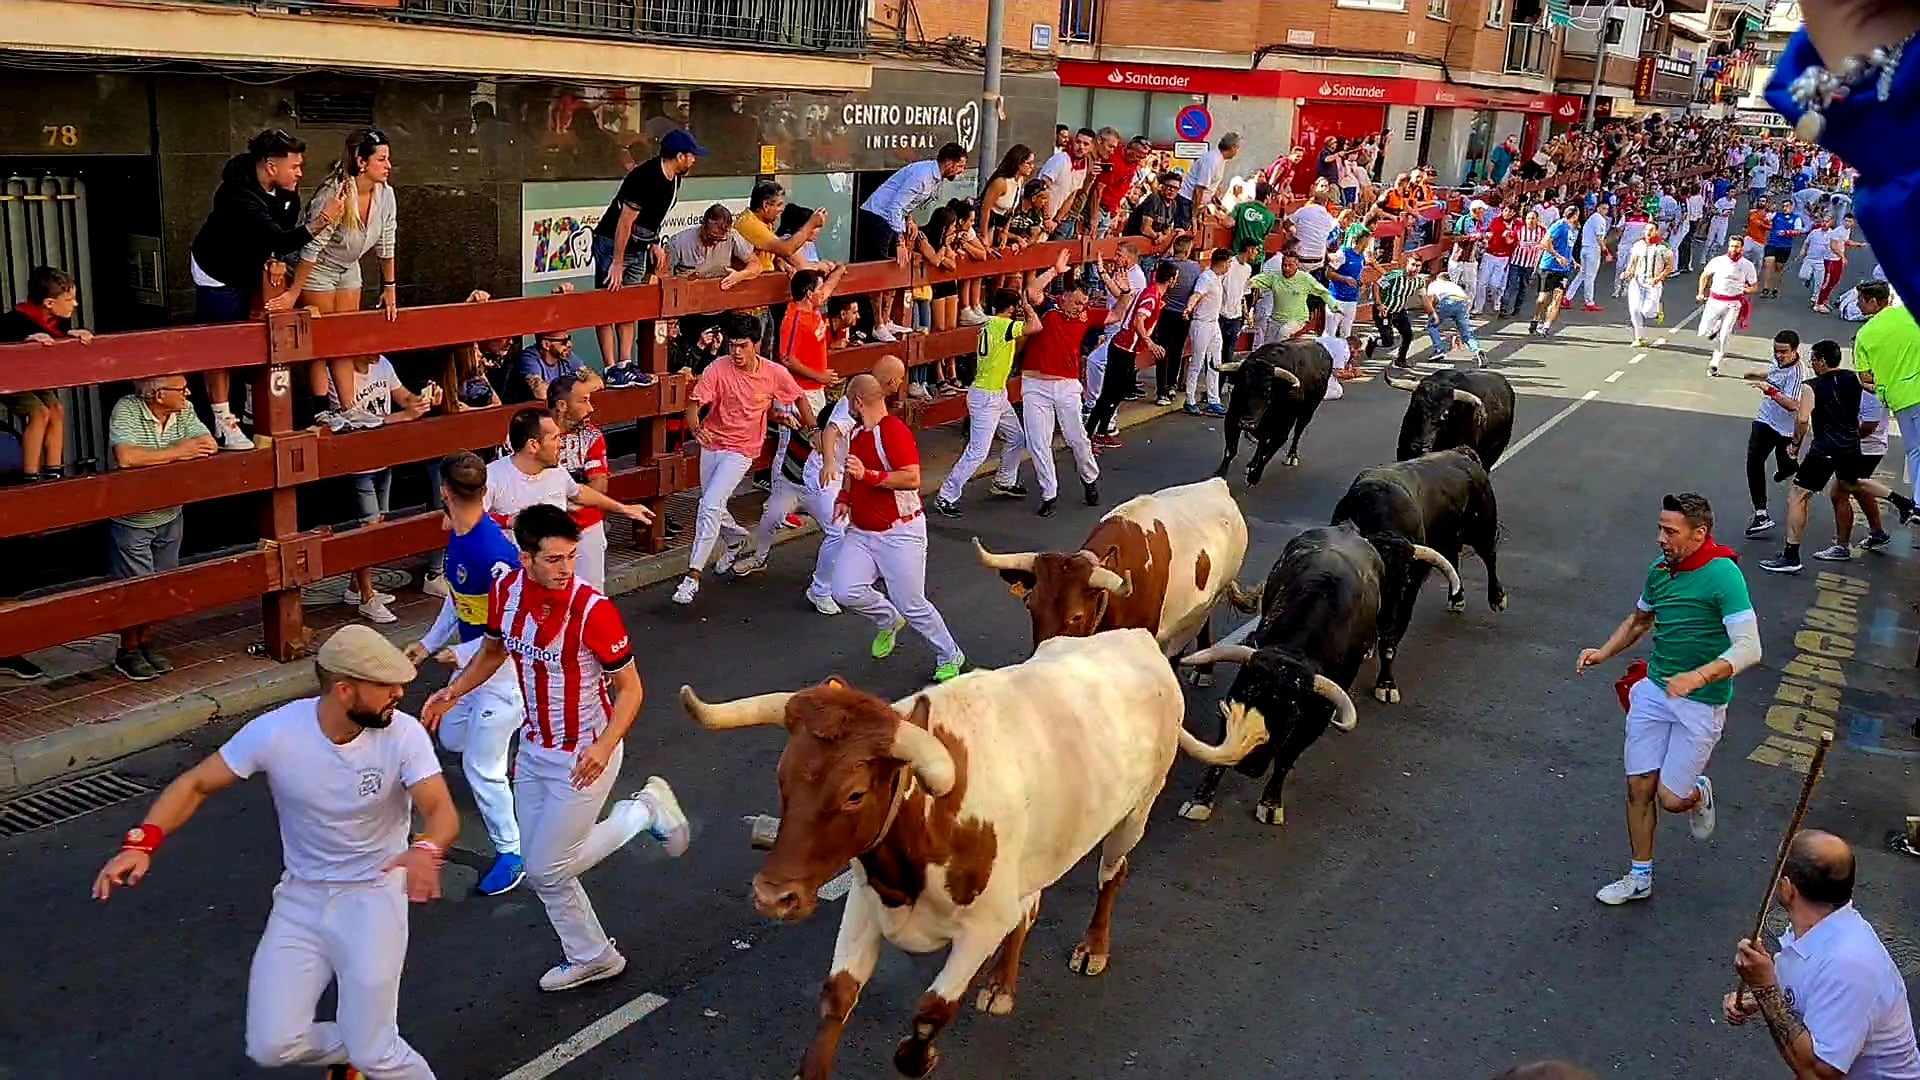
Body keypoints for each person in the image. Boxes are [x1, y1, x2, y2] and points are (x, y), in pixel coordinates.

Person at [92, 624, 456, 1078]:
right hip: (301, 899)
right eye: (386, 685)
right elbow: (196, 783)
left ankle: (366, 1050)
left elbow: (440, 810)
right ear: (345, 690)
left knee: (377, 1053)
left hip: (374, 898)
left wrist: (426, 848)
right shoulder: (277, 732)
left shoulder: (403, 735)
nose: (401, 692)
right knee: (273, 1044)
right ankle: (350, 1052)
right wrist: (142, 842)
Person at [423, 505, 687, 992]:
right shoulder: (505, 590)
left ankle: (642, 811)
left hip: (586, 752)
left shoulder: (594, 611)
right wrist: (453, 691)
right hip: (534, 746)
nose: (566, 568)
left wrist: (605, 748)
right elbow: (493, 651)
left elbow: (631, 689)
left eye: (571, 557)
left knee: (545, 868)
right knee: (548, 866)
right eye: (554, 559)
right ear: (525, 558)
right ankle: (592, 955)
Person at [1576, 492, 1757, 905]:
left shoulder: (1724, 575)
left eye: (1670, 531)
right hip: (1655, 692)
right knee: (1638, 787)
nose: (1661, 538)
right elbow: (1640, 620)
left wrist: (1697, 676)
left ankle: (1698, 793)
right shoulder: (1660, 571)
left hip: (1702, 701)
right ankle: (1640, 876)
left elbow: (1749, 648)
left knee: (1671, 799)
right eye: (1660, 528)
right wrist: (1604, 651)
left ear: (1699, 534)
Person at [405, 452, 526, 897]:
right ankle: (525, 746)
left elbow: (513, 626)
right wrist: (430, 643)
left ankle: (512, 853)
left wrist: (462, 653)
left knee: (480, 766)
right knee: (453, 737)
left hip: (503, 677)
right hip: (474, 674)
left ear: (444, 492)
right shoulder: (461, 536)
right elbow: (458, 600)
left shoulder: (491, 551)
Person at [190, 128, 346, 450]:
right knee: (220, 345)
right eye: (295, 166)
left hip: (255, 270)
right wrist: (321, 222)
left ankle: (250, 405)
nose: (300, 173)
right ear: (271, 166)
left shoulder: (287, 193)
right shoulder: (237, 196)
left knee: (259, 335)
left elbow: (282, 236)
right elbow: (277, 237)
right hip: (218, 272)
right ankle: (223, 420)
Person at [1726, 830, 1920, 1079]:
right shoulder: (1817, 932)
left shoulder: (1850, 964)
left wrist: (1765, 989)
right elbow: (1810, 988)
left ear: (1787, 888)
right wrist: (1757, 997)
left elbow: (1818, 1074)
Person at [745, 355, 908, 614]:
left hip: (846, 473)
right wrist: (830, 463)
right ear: (891, 381)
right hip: (822, 475)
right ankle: (819, 590)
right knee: (837, 529)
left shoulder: (873, 399)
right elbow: (832, 429)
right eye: (899, 379)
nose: (900, 384)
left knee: (861, 523)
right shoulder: (854, 402)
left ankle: (857, 575)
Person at [830, 373, 966, 684]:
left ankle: (950, 654)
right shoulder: (857, 434)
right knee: (844, 590)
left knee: (913, 603)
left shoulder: (893, 431)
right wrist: (844, 497)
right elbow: (852, 473)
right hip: (862, 532)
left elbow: (912, 479)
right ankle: (888, 619)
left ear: (858, 402)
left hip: (900, 532)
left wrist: (869, 476)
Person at [674, 313, 813, 606]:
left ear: (756, 345)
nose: (736, 352)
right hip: (713, 443)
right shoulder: (718, 368)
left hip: (743, 450)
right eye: (732, 346)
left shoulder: (773, 373)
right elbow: (694, 403)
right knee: (710, 503)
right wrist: (697, 429)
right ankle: (736, 538)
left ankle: (692, 575)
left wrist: (811, 426)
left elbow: (799, 396)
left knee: (710, 504)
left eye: (742, 346)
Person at [1760, 340, 1918, 575]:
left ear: (1823, 361)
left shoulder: (1810, 387)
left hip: (1825, 448)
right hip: (1850, 445)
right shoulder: (1854, 378)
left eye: (1814, 359)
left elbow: (1802, 420)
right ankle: (1903, 502)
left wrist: (1794, 445)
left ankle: (1791, 555)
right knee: (1851, 482)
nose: (1812, 364)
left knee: (1799, 495)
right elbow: (1877, 387)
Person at [104, 376, 219, 681]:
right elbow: (127, 457)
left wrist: (159, 458)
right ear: (157, 394)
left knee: (161, 584)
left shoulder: (184, 409)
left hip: (171, 512)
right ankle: (128, 649)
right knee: (135, 588)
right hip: (133, 517)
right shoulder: (127, 409)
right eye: (181, 389)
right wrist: (179, 452)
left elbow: (208, 443)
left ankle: (146, 642)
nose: (188, 393)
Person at [326, 353, 437, 623]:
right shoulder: (339, 372)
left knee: (379, 522)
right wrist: (403, 416)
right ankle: (367, 598)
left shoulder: (383, 363)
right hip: (357, 463)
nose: (377, 351)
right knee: (369, 527)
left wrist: (423, 401)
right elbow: (349, 421)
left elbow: (404, 396)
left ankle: (356, 589)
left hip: (383, 457)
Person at [292, 127, 399, 401]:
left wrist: (390, 287)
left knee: (346, 336)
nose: (388, 166)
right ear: (361, 162)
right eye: (381, 159)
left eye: (388, 159)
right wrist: (294, 291)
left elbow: (387, 242)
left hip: (349, 264)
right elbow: (312, 246)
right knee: (323, 337)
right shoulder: (335, 193)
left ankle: (349, 407)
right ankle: (321, 406)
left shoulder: (385, 194)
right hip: (318, 265)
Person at [484, 408, 653, 567]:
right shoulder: (492, 477)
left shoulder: (556, 471)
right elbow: (468, 521)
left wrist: (624, 509)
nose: (561, 444)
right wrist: (508, 521)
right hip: (513, 575)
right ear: (533, 445)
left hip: (559, 574)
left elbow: (577, 492)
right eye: (555, 438)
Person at [594, 129, 705, 369]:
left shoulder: (675, 179)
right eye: (691, 155)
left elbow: (654, 215)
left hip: (640, 245)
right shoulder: (643, 177)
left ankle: (625, 363)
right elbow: (625, 222)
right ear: (679, 156)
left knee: (629, 303)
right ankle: (610, 366)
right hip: (613, 242)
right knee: (608, 303)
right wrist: (617, 262)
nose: (694, 160)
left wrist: (654, 243)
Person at [931, 286, 1030, 516]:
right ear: (1012, 307)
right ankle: (946, 496)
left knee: (1016, 437)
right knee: (977, 452)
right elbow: (1035, 327)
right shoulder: (1004, 325)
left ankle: (1004, 481)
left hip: (994, 392)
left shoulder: (989, 323)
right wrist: (1027, 307)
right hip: (987, 396)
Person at [858, 143, 968, 341]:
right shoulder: (922, 176)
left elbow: (905, 207)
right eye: (960, 166)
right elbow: (895, 206)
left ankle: (886, 318)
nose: (961, 171)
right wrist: (900, 240)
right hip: (877, 217)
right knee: (881, 273)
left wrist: (909, 221)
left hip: (894, 220)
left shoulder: (935, 180)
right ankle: (877, 324)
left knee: (895, 270)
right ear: (949, 163)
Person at [1016, 259, 1101, 517]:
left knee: (1076, 437)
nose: (1079, 309)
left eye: (1083, 304)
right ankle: (1048, 493)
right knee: (1038, 441)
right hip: (1035, 383)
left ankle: (1089, 478)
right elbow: (1030, 293)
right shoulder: (1049, 308)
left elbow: (1119, 312)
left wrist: (1120, 288)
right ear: (1063, 298)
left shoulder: (1086, 315)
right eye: (1075, 302)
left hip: (1067, 385)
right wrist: (1054, 270)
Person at [0, 265, 90, 482]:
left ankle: (54, 470)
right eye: (69, 300)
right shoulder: (14, 321)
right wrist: (24, 343)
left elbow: (55, 334)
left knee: (56, 408)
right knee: (39, 412)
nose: (75, 304)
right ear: (49, 303)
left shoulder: (58, 318)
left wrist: (69, 335)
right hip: (7, 378)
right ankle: (30, 475)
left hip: (30, 379)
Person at [1088, 260, 1176, 451]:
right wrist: (1150, 343)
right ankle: (1090, 435)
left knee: (1116, 392)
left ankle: (1099, 432)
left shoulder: (1150, 293)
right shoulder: (1152, 296)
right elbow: (1139, 320)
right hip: (1123, 348)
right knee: (1111, 393)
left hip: (1125, 347)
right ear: (1171, 280)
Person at [1854, 282, 1920, 510]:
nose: (1857, 304)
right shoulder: (1910, 314)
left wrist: (1884, 384)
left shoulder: (1865, 335)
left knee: (1914, 450)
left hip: (1899, 400)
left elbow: (1866, 380)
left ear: (1873, 301)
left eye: (1860, 300)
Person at [549, 375, 613, 593]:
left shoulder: (591, 435)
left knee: (590, 596)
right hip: (544, 533)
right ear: (562, 405)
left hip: (586, 528)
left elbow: (599, 485)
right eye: (583, 401)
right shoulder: (533, 435)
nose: (591, 408)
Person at [1742, 331, 1807, 539]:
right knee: (1754, 460)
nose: (1779, 355)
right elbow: (1772, 374)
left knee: (1788, 470)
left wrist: (1769, 390)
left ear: (1795, 351)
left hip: (1786, 429)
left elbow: (1793, 405)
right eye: (1776, 351)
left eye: (1783, 352)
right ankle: (1761, 513)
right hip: (1765, 420)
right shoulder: (1777, 360)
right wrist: (1757, 375)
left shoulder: (1797, 372)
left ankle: (1799, 496)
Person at [1696, 236, 1761, 377]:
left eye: (1737, 247)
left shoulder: (1747, 265)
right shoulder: (1718, 261)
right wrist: (1701, 293)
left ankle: (1714, 364)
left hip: (1733, 304)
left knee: (1725, 335)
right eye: (1732, 246)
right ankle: (1715, 328)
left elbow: (1754, 286)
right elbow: (1704, 276)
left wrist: (1746, 290)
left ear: (1742, 248)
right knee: (1704, 332)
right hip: (1714, 301)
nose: (1734, 249)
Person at [1246, 247, 1334, 348]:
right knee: (1267, 345)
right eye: (1284, 265)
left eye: (1290, 265)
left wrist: (1333, 305)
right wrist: (1249, 283)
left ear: (1297, 266)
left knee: (1283, 333)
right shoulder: (1275, 276)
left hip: (1296, 318)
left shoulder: (1305, 279)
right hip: (1276, 317)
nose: (1286, 268)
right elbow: (1259, 279)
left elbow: (1322, 292)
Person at [1182, 247, 1231, 417]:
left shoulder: (1217, 277)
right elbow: (1197, 295)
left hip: (1213, 323)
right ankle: (1189, 399)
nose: (1229, 266)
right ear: (1223, 263)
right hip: (1201, 323)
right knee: (1197, 362)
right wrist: (1189, 308)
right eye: (1229, 262)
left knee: (1215, 363)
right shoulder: (1206, 278)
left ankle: (1213, 399)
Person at [1620, 222, 1673, 348]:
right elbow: (1633, 263)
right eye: (1646, 230)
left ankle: (1657, 310)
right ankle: (1639, 337)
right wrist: (1627, 273)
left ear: (1656, 231)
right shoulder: (1638, 245)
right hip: (1637, 282)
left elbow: (1670, 266)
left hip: (1653, 283)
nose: (1648, 233)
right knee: (1634, 310)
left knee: (1647, 312)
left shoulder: (1664, 247)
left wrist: (1658, 278)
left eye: (1651, 230)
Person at [1529, 203, 1578, 336]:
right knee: (1542, 299)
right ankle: (1536, 319)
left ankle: (1546, 326)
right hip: (1549, 266)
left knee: (1557, 298)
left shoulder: (1574, 230)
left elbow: (1568, 248)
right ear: (1573, 216)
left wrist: (1572, 261)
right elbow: (1545, 242)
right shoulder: (1559, 225)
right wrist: (1558, 257)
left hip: (1563, 270)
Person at [1423, 272, 1487, 367]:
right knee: (1465, 332)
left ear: (1438, 278)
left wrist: (1431, 316)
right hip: (1462, 302)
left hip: (1448, 301)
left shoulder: (1434, 284)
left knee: (1432, 326)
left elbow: (1429, 301)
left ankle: (1438, 350)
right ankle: (1477, 349)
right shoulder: (1454, 285)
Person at [1177, 132, 1238, 228]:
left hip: (1196, 204)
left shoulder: (1219, 159)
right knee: (1185, 232)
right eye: (1237, 148)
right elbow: (1199, 188)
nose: (1237, 152)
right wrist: (1194, 215)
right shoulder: (1212, 160)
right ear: (1233, 147)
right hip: (1188, 201)